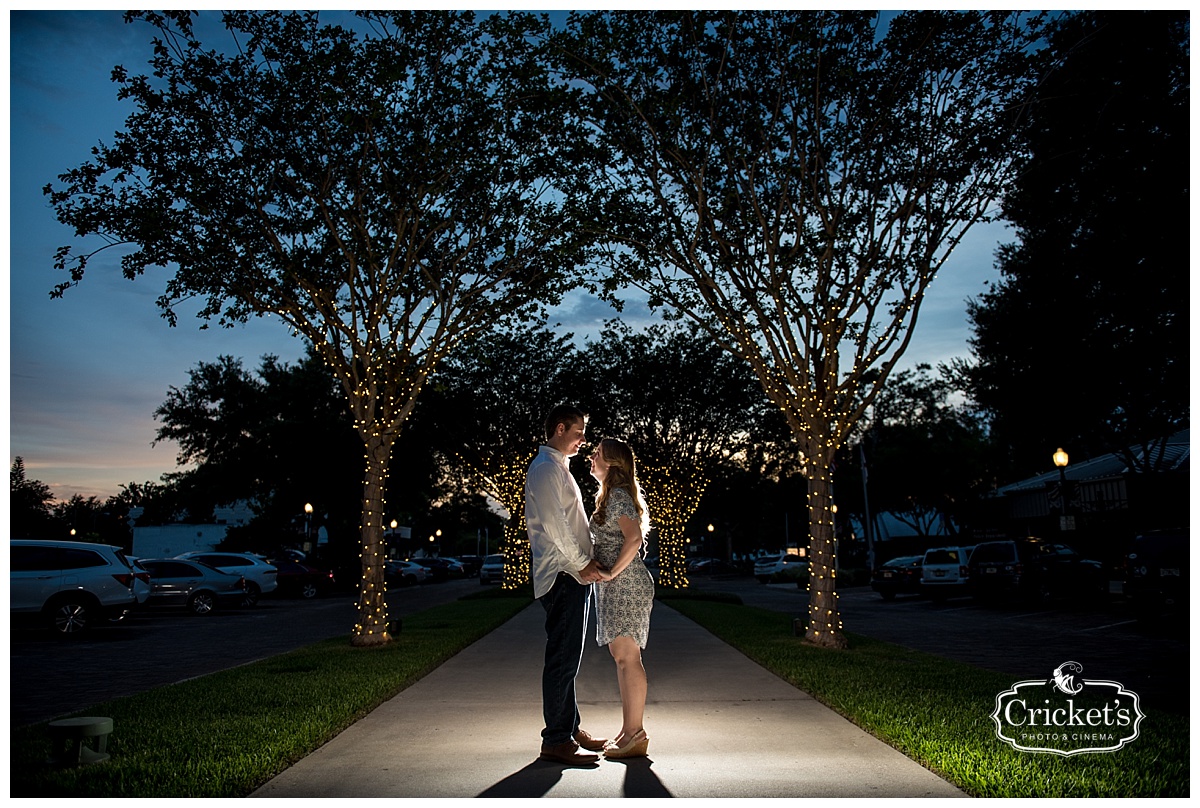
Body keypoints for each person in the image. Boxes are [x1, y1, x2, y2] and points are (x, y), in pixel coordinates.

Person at [525, 404, 608, 765]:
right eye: (579, 433)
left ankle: (570, 727)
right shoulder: (545, 470)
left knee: (568, 656)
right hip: (563, 575)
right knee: (562, 657)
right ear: (560, 428)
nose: (583, 440)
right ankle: (556, 739)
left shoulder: (559, 468)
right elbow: (555, 525)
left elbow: (571, 523)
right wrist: (582, 564)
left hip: (571, 575)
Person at [588, 437, 654, 759]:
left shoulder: (617, 496)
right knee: (622, 658)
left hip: (626, 584)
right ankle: (629, 731)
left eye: (597, 454)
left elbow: (634, 538)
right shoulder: (610, 497)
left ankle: (636, 733)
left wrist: (612, 572)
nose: (592, 456)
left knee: (629, 657)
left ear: (612, 463)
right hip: (616, 587)